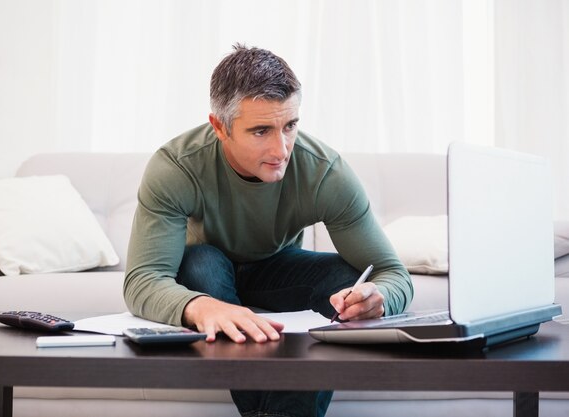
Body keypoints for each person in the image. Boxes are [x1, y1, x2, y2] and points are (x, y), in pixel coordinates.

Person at [124, 44, 413, 417]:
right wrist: (202, 307)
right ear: (219, 127)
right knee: (202, 264)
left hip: (275, 269)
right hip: (205, 272)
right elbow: (143, 279)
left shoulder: (325, 172)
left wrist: (380, 297)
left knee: (346, 278)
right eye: (261, 130)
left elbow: (393, 273)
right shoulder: (176, 167)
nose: (282, 148)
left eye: (290, 126)